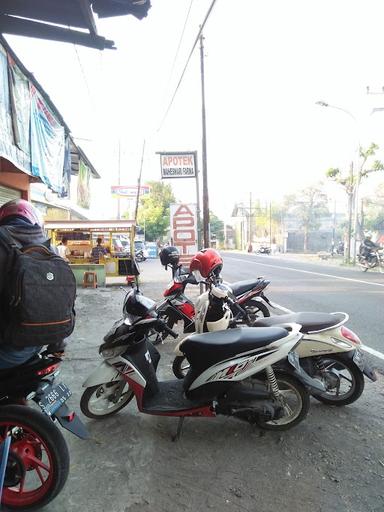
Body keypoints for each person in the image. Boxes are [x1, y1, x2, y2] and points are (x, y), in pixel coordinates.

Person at [0, 199, 66, 369]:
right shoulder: (50, 248)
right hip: (43, 342)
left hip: (11, 346)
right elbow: (61, 300)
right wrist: (57, 345)